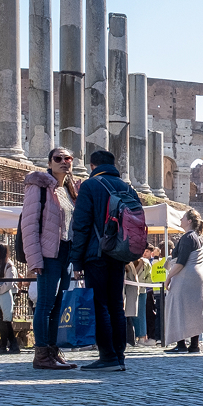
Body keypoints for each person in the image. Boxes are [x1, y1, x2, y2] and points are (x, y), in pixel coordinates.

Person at [68, 149, 134, 371]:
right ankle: (119, 356)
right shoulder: (127, 187)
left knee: (100, 304)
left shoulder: (90, 185)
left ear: (92, 166)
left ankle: (107, 356)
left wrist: (76, 261)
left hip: (96, 254)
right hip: (119, 253)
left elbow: (81, 225)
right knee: (117, 304)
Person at [23, 146, 80, 370]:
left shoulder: (68, 190)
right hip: (48, 254)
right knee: (45, 305)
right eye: (58, 158)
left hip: (65, 253)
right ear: (49, 163)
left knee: (58, 305)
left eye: (69, 158)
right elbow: (29, 225)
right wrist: (34, 259)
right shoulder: (38, 186)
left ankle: (53, 350)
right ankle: (41, 354)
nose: (64, 162)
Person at [163, 209, 203, 354]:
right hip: (199, 276)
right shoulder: (201, 238)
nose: (180, 220)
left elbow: (181, 262)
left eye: (183, 217)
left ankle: (181, 344)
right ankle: (194, 345)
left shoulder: (187, 238)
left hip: (186, 275)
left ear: (189, 221)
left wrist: (168, 277)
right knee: (195, 311)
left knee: (178, 307)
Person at [0, 243, 23, 355]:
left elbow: (8, 284)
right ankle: (9, 345)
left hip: (5, 295)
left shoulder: (9, 265)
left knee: (6, 320)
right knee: (1, 320)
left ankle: (8, 345)